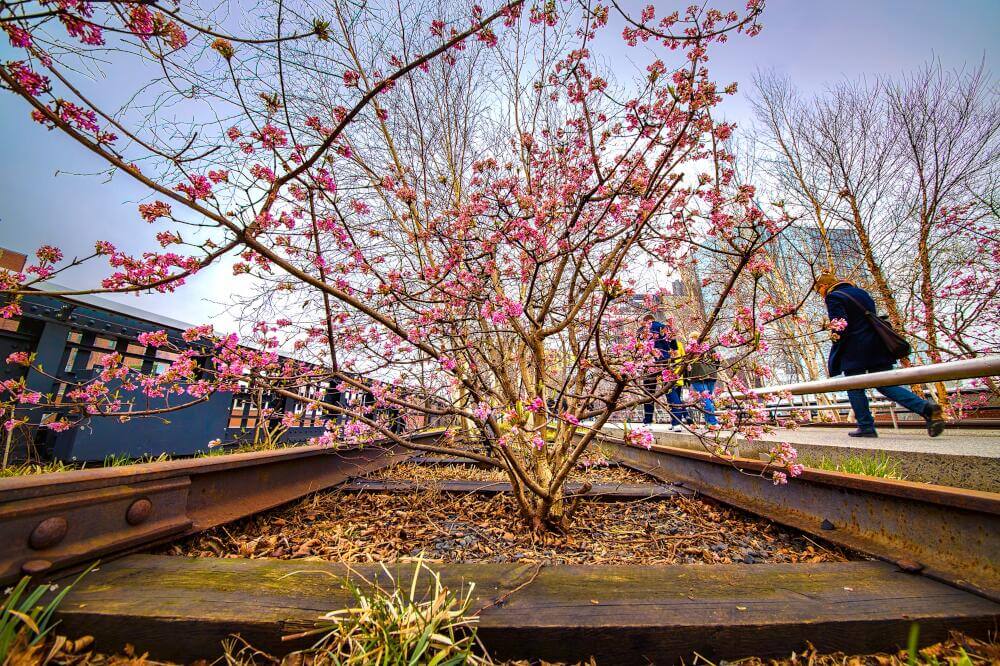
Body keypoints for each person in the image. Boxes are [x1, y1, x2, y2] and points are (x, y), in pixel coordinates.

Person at [814, 272, 944, 438]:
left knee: (854, 385)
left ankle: (866, 426)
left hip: (855, 350)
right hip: (877, 345)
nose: (821, 294)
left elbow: (840, 326)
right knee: (885, 384)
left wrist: (835, 343)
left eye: (819, 291)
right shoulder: (861, 293)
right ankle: (925, 408)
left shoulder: (833, 297)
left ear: (824, 286)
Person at [641, 315, 689, 430]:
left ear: (646, 321)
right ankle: (676, 422)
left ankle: (648, 422)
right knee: (670, 391)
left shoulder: (643, 330)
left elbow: (639, 348)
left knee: (649, 393)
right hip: (666, 363)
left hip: (650, 363)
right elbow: (675, 349)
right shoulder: (667, 328)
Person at [688, 354, 719, 427]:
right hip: (712, 375)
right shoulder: (711, 348)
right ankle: (709, 423)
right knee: (708, 400)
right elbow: (717, 362)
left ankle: (712, 423)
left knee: (706, 400)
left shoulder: (692, 349)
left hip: (698, 376)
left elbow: (686, 363)